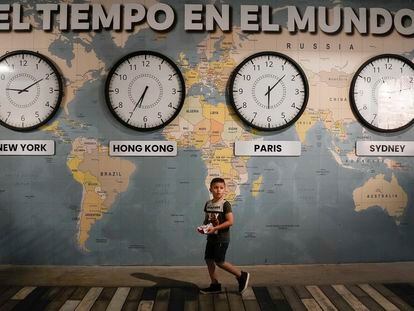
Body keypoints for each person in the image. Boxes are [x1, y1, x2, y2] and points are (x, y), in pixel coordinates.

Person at [198, 177, 250, 294]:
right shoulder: (208, 204)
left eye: (221, 188)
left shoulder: (225, 204)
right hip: (211, 237)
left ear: (225, 189)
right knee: (209, 260)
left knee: (219, 261)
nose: (218, 190)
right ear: (210, 189)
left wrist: (215, 228)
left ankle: (241, 275)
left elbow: (230, 221)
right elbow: (207, 220)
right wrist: (204, 227)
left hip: (222, 238)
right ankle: (215, 285)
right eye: (215, 188)